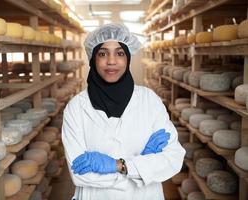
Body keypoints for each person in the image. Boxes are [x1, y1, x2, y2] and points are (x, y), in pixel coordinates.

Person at [62, 23, 186, 200]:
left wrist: (118, 165)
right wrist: (143, 167)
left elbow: (173, 159)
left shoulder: (149, 101)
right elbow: (79, 175)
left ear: (128, 58)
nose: (111, 61)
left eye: (119, 53)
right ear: (92, 59)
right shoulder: (75, 108)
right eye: (103, 53)